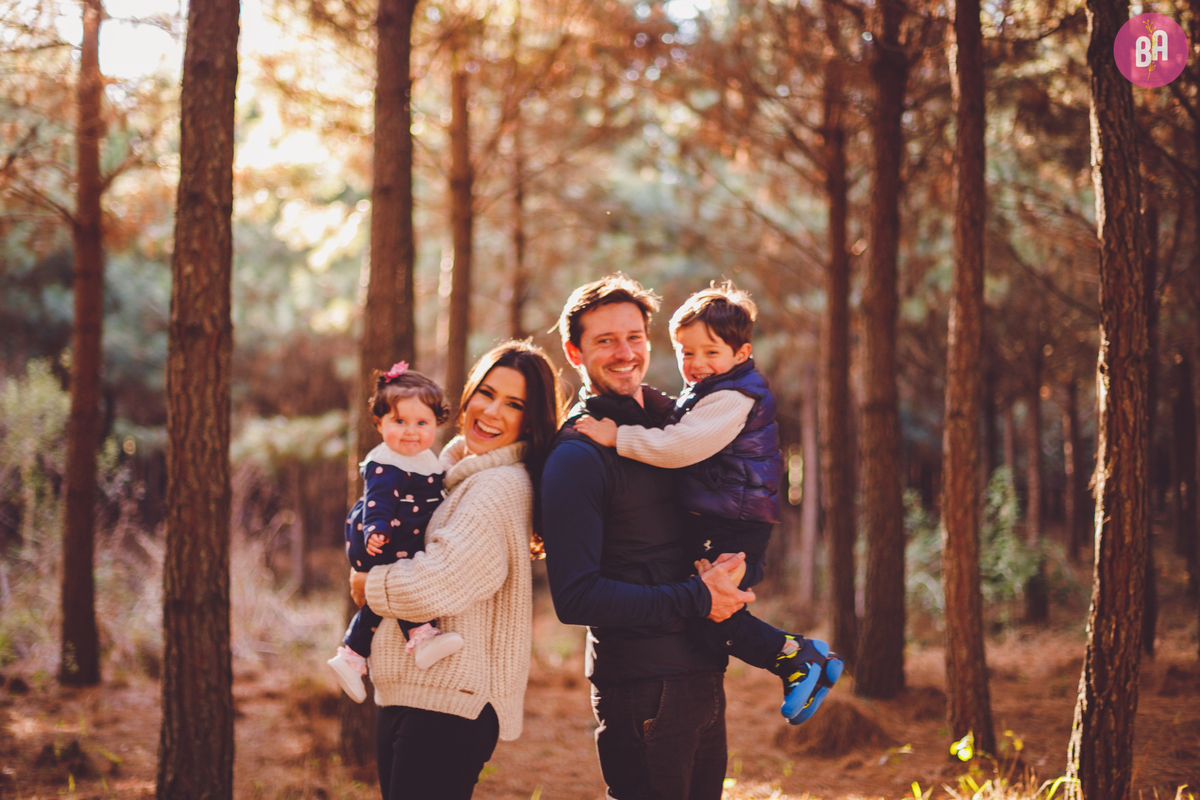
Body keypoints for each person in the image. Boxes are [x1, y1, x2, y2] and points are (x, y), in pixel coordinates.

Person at [575, 283, 843, 725]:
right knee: (705, 607)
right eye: (686, 353)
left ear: (741, 354)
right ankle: (799, 657)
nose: (695, 365)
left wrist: (617, 436)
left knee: (707, 610)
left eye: (710, 353)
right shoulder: (712, 390)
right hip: (726, 517)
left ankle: (795, 656)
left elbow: (680, 444)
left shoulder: (732, 397)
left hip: (733, 524)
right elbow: (679, 416)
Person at [539, 274, 756, 800]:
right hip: (642, 690)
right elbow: (575, 597)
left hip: (700, 673)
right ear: (574, 352)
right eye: (605, 340)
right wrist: (697, 597)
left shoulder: (669, 430)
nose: (624, 353)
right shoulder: (577, 457)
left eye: (634, 337)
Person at [348, 340, 564, 800]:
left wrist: (373, 583)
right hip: (412, 690)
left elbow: (443, 580)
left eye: (515, 404)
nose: (491, 411)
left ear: (532, 418)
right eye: (486, 393)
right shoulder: (440, 472)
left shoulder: (498, 486)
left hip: (451, 704)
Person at [328, 363, 459, 705]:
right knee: (399, 584)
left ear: (436, 423)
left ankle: (352, 657)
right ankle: (420, 635)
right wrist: (377, 531)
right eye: (399, 422)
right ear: (379, 423)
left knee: (380, 601)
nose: (410, 432)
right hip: (380, 538)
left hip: (399, 538)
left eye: (421, 423)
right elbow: (379, 501)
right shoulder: (386, 463)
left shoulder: (424, 459)